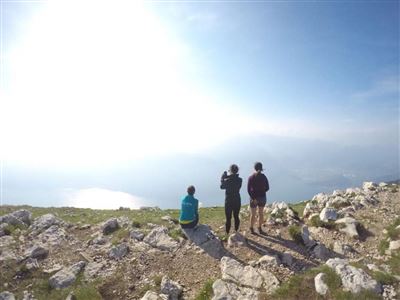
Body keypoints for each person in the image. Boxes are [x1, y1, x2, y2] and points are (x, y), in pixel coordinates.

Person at [247, 162, 269, 234]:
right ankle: (260, 228)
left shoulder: (251, 177)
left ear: (254, 168)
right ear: (261, 168)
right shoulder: (264, 177)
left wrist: (253, 198)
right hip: (262, 197)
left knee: (253, 214)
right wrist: (262, 192)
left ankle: (251, 229)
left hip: (253, 198)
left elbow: (248, 189)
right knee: (261, 213)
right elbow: (267, 188)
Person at [220, 164, 242, 234]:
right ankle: (236, 231)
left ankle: (227, 233)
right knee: (236, 216)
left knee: (228, 218)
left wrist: (222, 178)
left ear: (230, 171)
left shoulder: (227, 180)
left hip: (228, 201)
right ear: (237, 170)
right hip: (237, 200)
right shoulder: (240, 180)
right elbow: (234, 178)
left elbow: (221, 187)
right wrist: (227, 177)